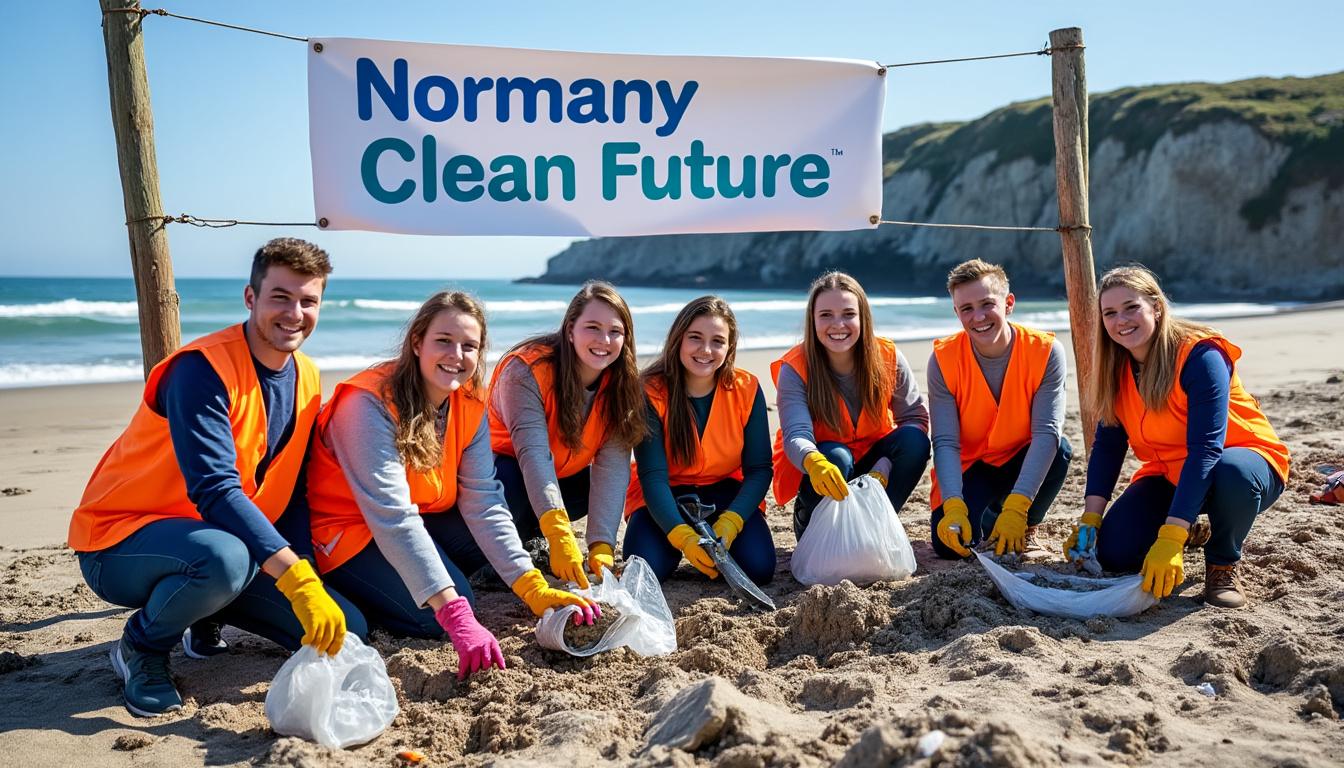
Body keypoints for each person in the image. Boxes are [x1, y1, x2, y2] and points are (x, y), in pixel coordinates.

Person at [68, 238, 365, 717]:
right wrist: (295, 581)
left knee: (345, 630)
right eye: (280, 297)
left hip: (221, 545)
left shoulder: (307, 375)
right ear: (251, 298)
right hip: (121, 540)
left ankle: (205, 613)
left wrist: (305, 569)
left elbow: (290, 493)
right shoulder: (200, 370)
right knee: (221, 561)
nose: (295, 313)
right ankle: (140, 648)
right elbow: (214, 488)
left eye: (308, 301)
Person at [307, 291, 598, 680]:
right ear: (417, 342)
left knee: (468, 573)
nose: (456, 355)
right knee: (437, 618)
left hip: (418, 518)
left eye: (469, 346)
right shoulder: (366, 403)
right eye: (443, 341)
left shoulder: (467, 401)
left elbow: (484, 501)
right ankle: (347, 587)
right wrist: (454, 613)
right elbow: (392, 515)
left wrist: (532, 587)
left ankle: (413, 579)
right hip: (344, 533)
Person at [1064, 266, 1290, 608]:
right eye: (1109, 313)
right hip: (1171, 470)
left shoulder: (1200, 355)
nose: (1120, 319)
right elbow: (1109, 446)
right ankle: (1193, 528)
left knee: (1232, 474)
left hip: (1242, 461)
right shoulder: (1114, 368)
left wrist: (1170, 535)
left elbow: (1206, 449)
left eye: (1131, 307)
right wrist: (1090, 519)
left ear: (1156, 306)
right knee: (1115, 553)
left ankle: (1222, 565)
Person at [487, 280, 647, 588]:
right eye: (592, 327)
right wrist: (559, 533)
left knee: (590, 489)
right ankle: (508, 549)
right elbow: (533, 455)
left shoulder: (621, 384)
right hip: (501, 475)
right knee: (513, 485)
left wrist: (601, 547)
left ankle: (532, 537)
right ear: (570, 329)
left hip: (560, 477)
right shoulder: (525, 370)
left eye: (615, 331)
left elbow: (612, 466)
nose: (604, 340)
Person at [623, 297, 775, 584]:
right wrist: (683, 537)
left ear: (729, 347)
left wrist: (732, 522)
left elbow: (759, 469)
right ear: (679, 338)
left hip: (725, 490)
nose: (706, 350)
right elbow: (653, 477)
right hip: (665, 494)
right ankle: (675, 543)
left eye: (717, 341)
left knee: (759, 568)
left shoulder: (747, 388)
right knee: (646, 572)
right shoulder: (649, 391)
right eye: (695, 338)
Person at [928, 259, 1072, 560]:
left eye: (987, 304)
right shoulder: (942, 360)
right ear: (956, 313)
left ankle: (1026, 524)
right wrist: (954, 503)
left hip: (1021, 457)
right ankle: (992, 515)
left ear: (1008, 303)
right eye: (966, 308)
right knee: (950, 546)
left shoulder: (1045, 352)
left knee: (1061, 449)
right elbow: (945, 442)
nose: (978, 316)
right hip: (972, 467)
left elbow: (1046, 434)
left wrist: (1019, 508)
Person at [772, 271, 931, 538]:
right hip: (826, 469)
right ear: (813, 320)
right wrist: (813, 462)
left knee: (915, 441)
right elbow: (795, 435)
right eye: (826, 315)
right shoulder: (796, 367)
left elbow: (915, 418)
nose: (838, 324)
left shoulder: (888, 356)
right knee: (836, 456)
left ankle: (878, 526)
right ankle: (811, 522)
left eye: (848, 313)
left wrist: (884, 466)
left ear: (863, 318)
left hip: (873, 464)